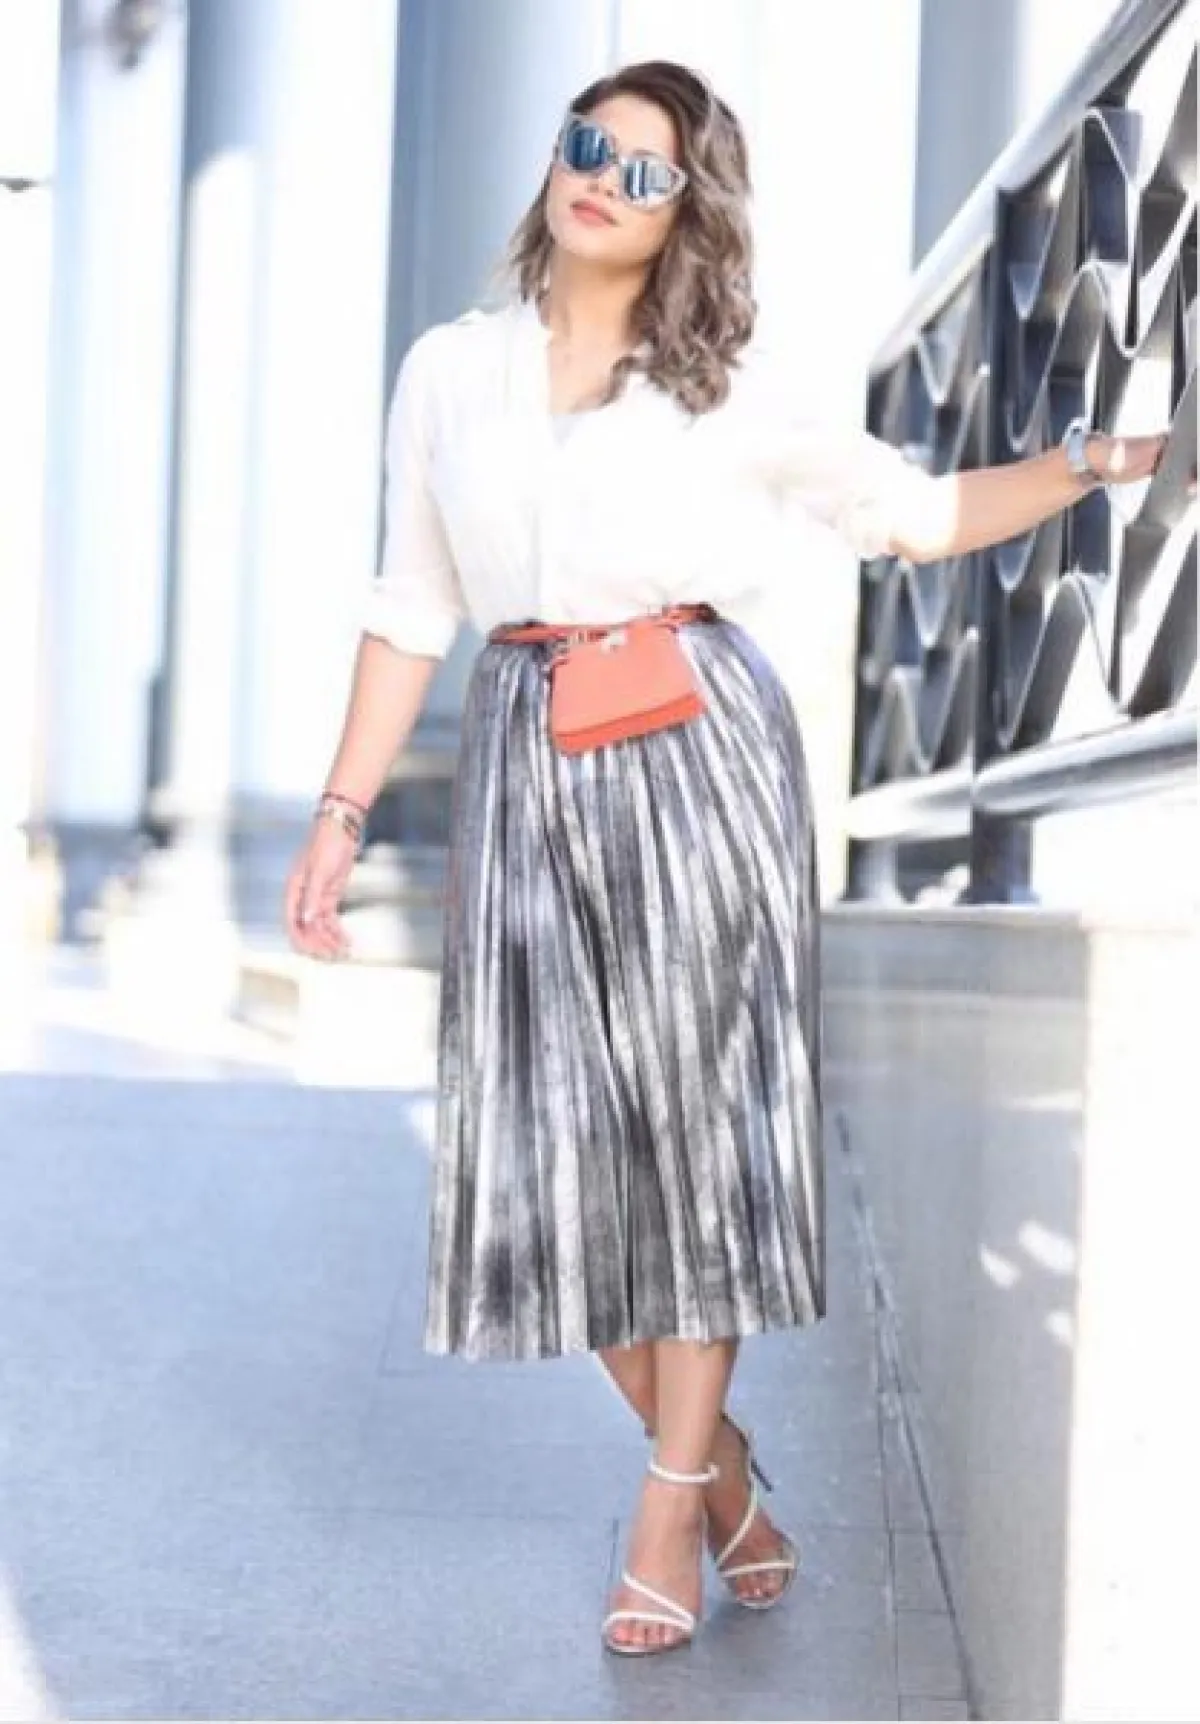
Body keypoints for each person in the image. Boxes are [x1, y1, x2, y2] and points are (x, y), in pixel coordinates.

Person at [284, 59, 1168, 1657]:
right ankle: (731, 1478)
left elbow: (912, 515)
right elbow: (411, 607)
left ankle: (667, 1504)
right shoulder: (450, 370)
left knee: (696, 1151)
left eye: (645, 169)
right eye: (588, 146)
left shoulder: (727, 384)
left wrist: (1099, 465)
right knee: (553, 1172)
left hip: (699, 753)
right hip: (528, 762)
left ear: (689, 210)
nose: (602, 180)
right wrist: (340, 815)